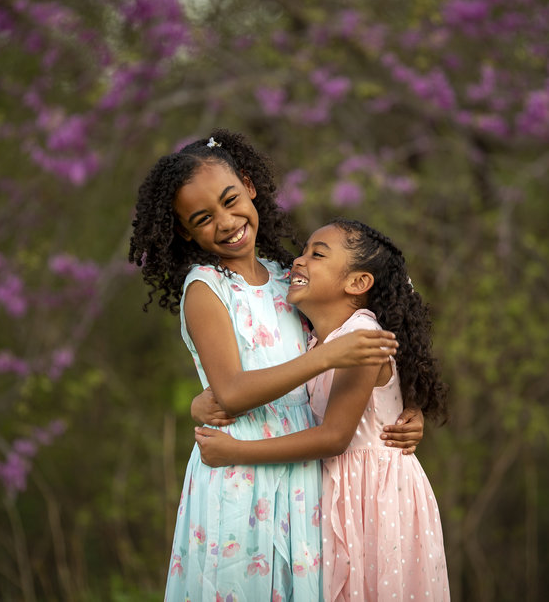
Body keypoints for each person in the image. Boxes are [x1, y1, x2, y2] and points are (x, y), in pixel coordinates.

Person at [127, 130, 424, 601]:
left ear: (249, 185)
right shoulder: (206, 289)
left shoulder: (288, 280)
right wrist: (202, 403)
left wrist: (405, 409)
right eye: (203, 218)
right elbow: (234, 392)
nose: (225, 223)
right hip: (238, 474)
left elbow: (384, 307)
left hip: (304, 478)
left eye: (230, 200)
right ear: (185, 231)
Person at [194, 218, 452, 601]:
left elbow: (334, 436)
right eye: (304, 250)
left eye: (317, 254)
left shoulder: (360, 339)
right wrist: (202, 401)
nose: (299, 261)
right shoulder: (314, 341)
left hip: (376, 500)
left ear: (358, 283)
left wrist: (236, 453)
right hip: (341, 494)